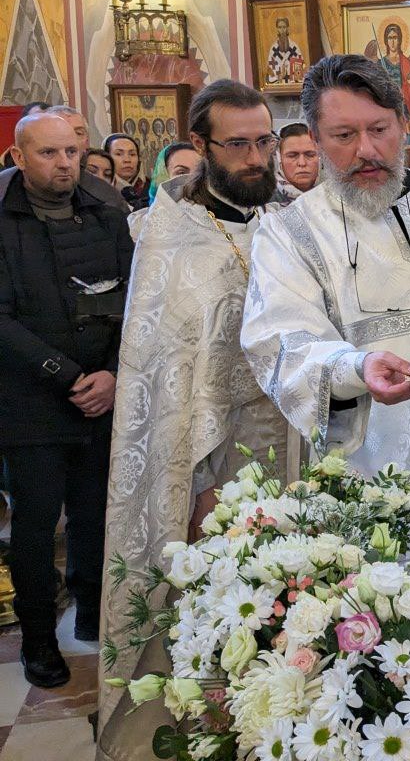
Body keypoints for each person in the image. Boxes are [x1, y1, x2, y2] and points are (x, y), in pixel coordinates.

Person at [241, 55, 410, 551]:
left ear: (405, 126)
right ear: (315, 140)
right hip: (363, 447)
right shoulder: (289, 232)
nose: (367, 150)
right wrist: (356, 366)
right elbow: (277, 340)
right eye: (343, 136)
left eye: (380, 129)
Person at [97, 81, 291, 752]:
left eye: (264, 140)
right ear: (201, 146)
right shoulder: (168, 237)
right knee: (218, 613)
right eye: (238, 144)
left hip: (296, 451)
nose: (256, 156)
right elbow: (168, 378)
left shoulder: (292, 218)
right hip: (217, 464)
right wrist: (196, 481)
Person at [0, 112, 133, 688]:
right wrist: (66, 374)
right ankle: (36, 641)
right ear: (19, 155)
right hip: (29, 400)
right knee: (33, 526)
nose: (64, 164)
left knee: (95, 514)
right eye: (49, 153)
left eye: (71, 153)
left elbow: (137, 298)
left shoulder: (107, 210)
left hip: (100, 395)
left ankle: (93, 612)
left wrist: (109, 374)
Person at [378, 22, 410, 121]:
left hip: (404, 112)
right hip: (385, 110)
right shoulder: (380, 64)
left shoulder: (406, 64)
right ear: (386, 41)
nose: (392, 42)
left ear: (399, 40)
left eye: (395, 38)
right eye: (390, 38)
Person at [104, 132, 149, 209]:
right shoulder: (99, 189)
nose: (127, 160)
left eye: (132, 154)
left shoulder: (151, 189)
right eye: (119, 154)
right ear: (106, 158)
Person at [276, 120, 320, 199]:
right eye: (292, 156)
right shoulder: (261, 202)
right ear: (279, 159)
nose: (302, 163)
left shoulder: (338, 198)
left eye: (310, 155)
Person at [265, 16, 304, 85]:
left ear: (287, 28)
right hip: (278, 86)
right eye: (280, 27)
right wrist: (279, 75)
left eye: (284, 27)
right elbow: (271, 72)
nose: (282, 30)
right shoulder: (273, 49)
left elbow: (298, 73)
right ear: (277, 29)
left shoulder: (294, 48)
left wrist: (290, 73)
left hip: (292, 86)